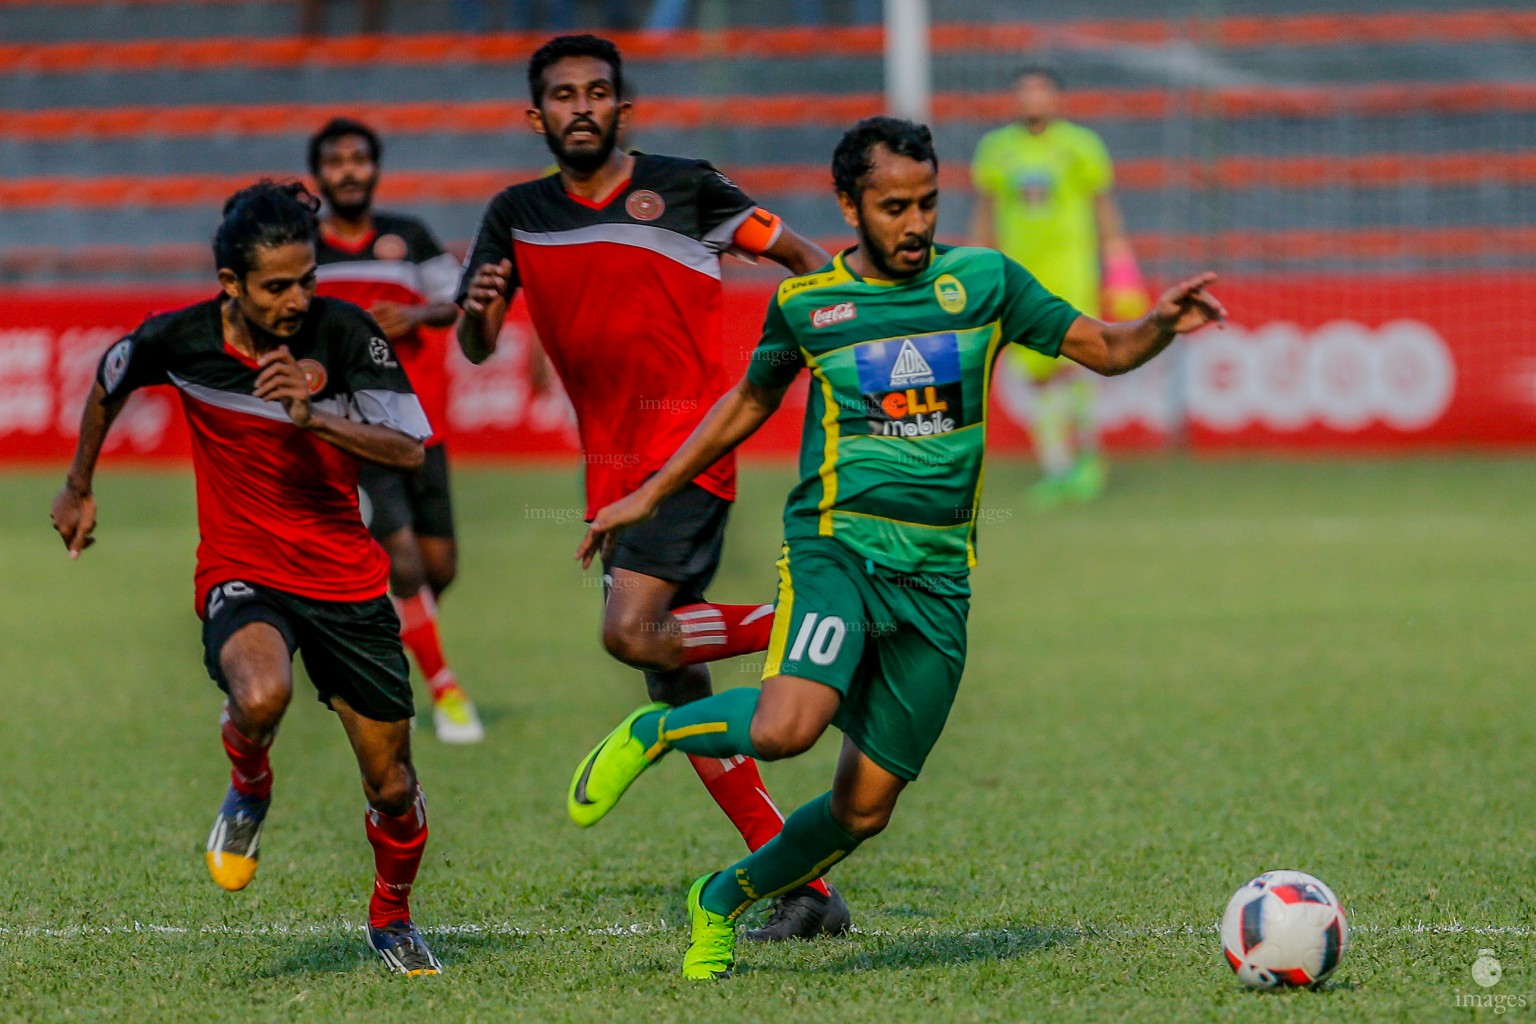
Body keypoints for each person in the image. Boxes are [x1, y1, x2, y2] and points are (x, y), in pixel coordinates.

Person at [567, 116, 1225, 979]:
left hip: (941, 578)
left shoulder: (983, 281)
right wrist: (650, 491)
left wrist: (1162, 324)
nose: (914, 225)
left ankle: (719, 899)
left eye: (926, 204)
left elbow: (1105, 348)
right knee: (787, 726)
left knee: (863, 810)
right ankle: (660, 727)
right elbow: (748, 402)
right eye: (892, 207)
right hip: (837, 549)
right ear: (848, 204)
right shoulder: (807, 304)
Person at [457, 34, 848, 939]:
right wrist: (478, 314)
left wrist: (841, 333)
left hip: (686, 451)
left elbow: (801, 256)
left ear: (622, 109)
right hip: (609, 472)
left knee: (632, 631)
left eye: (598, 92)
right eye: (563, 95)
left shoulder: (685, 187)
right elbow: (475, 341)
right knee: (677, 692)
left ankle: (809, 625)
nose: (582, 106)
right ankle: (807, 890)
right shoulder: (514, 214)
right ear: (537, 116)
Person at [50, 181, 445, 976]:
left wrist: (317, 414)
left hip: (346, 581)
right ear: (230, 284)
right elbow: (112, 373)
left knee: (394, 786)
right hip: (245, 569)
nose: (298, 299)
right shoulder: (183, 340)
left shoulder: (346, 336)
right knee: (261, 693)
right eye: (277, 286)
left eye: (307, 279)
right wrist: (78, 484)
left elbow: (409, 450)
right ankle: (249, 780)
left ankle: (391, 918)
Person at [309, 117, 485, 744]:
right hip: (354, 433)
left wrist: (412, 313)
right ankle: (446, 693)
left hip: (422, 430)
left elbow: (458, 298)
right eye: (336, 161)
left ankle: (365, 644)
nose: (348, 170)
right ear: (320, 174)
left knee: (440, 566)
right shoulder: (305, 248)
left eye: (359, 159)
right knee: (405, 561)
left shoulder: (408, 237)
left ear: (375, 169)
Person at [970, 66, 1151, 507]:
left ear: (1057, 99)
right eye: (1025, 91)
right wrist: (974, 264)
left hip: (1071, 270)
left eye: (1041, 91)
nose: (1033, 99)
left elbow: (1102, 205)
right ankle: (1056, 467)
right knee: (1035, 376)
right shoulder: (996, 150)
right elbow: (987, 210)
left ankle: (1089, 459)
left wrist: (1120, 263)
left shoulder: (1080, 146)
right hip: (1018, 275)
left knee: (1074, 363)